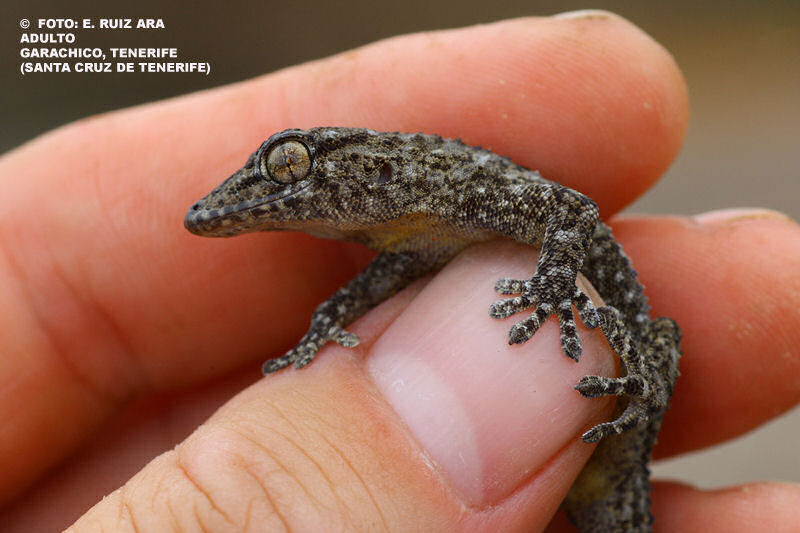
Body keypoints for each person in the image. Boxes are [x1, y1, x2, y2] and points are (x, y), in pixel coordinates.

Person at [1, 11, 798, 532]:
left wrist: (552, 289)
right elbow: (371, 288)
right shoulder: (412, 237)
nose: (280, 186)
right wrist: (323, 328)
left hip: (619, 445)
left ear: (375, 167)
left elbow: (575, 213)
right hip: (559, 475)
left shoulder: (458, 188)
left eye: (290, 166)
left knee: (660, 338)